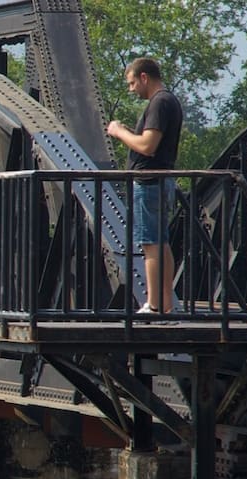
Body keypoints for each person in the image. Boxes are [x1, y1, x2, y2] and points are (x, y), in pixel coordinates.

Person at [105, 57, 184, 314]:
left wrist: (118, 132)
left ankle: (153, 304)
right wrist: (132, 132)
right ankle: (167, 305)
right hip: (161, 180)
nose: (131, 89)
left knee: (150, 244)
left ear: (144, 78)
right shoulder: (169, 100)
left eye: (131, 83)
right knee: (162, 243)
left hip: (149, 181)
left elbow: (147, 146)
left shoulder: (159, 102)